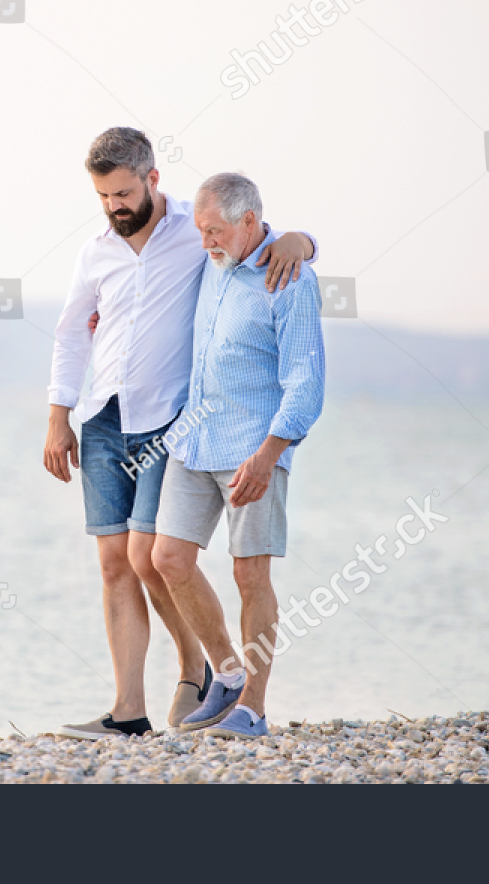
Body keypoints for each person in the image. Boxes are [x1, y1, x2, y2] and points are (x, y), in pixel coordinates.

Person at [43, 129, 317, 739]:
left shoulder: (196, 238)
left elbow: (260, 240)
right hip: (109, 417)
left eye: (122, 191)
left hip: (173, 420)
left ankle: (215, 679)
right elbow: (71, 332)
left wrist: (304, 241)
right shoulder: (107, 251)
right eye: (103, 194)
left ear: (151, 179)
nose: (114, 204)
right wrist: (59, 413)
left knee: (157, 558)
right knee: (125, 561)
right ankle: (129, 710)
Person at [152, 171, 326, 740]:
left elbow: (306, 383)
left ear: (249, 222)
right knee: (168, 559)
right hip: (193, 440)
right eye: (202, 230)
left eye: (216, 230)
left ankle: (253, 707)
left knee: (251, 575)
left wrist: (269, 453)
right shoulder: (213, 263)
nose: (206, 241)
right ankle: (225, 673)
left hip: (254, 448)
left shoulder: (291, 279)